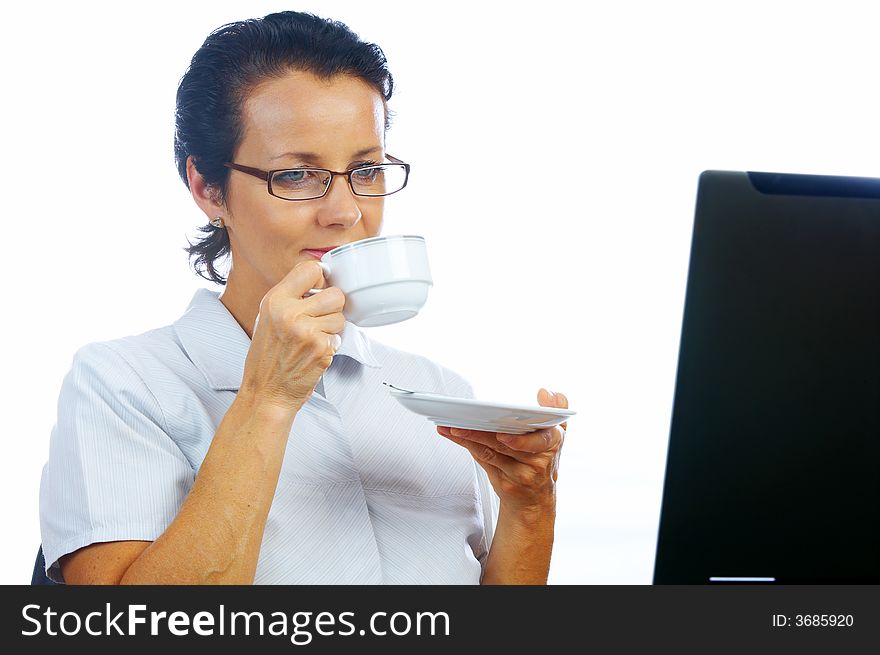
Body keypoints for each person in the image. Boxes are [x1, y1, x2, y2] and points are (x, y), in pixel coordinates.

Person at [38, 10, 568, 584]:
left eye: (365, 169)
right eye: (295, 175)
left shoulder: (442, 398)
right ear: (207, 187)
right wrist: (267, 397)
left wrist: (531, 506)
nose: (345, 212)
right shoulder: (123, 383)